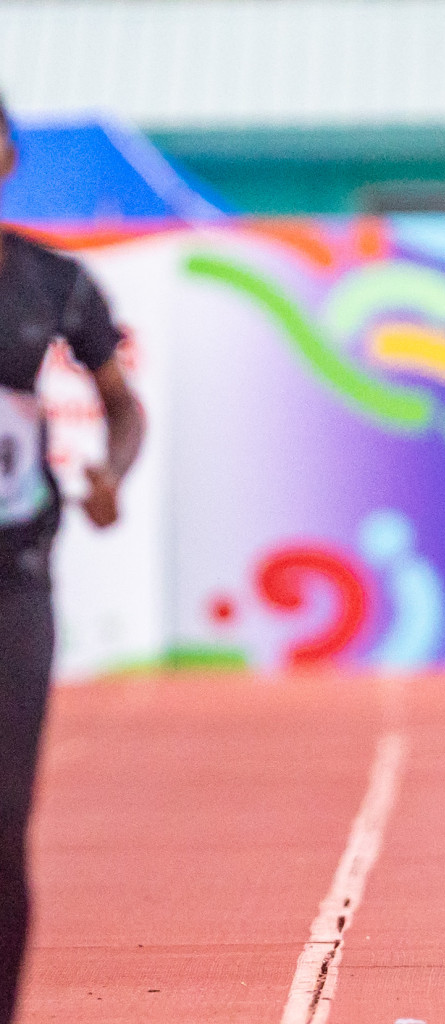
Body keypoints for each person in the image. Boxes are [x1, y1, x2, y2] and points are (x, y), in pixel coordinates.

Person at [0, 97, 145, 1021]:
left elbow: (123, 405)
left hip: (12, 575)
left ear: (7, 159)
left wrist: (109, 474)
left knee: (3, 823)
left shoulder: (51, 281)